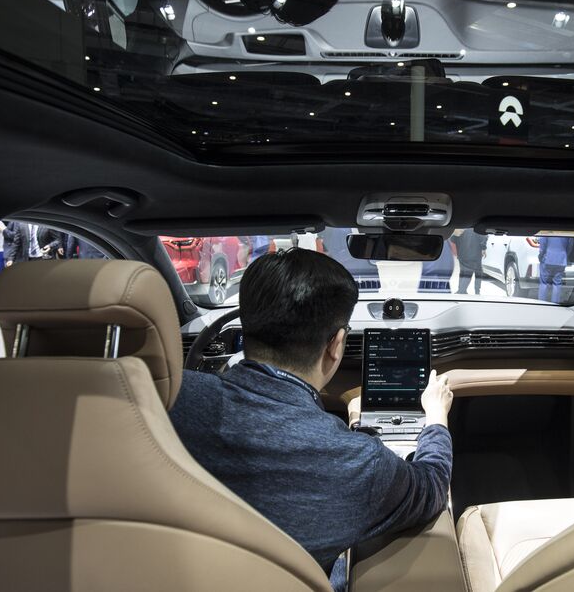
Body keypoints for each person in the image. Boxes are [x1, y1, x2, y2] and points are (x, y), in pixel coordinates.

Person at [169, 249, 453, 591]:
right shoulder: (361, 462)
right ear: (336, 344)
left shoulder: (164, 400)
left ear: (247, 327)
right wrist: (436, 418)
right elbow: (432, 487)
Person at [538, 236, 572, 303]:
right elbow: (570, 245)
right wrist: (565, 255)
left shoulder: (548, 229)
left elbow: (543, 244)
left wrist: (541, 255)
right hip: (561, 259)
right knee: (557, 283)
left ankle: (541, 303)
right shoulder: (567, 230)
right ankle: (555, 304)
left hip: (548, 258)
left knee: (543, 282)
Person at [452, 229, 487, 295]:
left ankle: (461, 290)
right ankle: (463, 291)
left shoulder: (461, 225)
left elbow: (453, 239)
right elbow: (483, 236)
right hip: (474, 252)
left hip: (461, 252)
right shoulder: (478, 226)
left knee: (463, 272)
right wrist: (483, 248)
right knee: (472, 272)